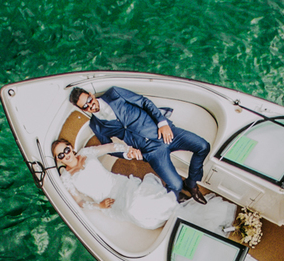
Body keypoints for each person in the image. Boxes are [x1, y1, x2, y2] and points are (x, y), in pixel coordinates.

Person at [69, 86, 209, 204]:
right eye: (85, 106)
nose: (91, 105)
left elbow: (144, 102)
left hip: (166, 133)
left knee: (203, 146)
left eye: (89, 100)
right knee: (176, 185)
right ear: (83, 109)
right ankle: (175, 194)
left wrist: (162, 123)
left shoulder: (114, 94)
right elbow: (108, 147)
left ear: (91, 95)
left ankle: (191, 183)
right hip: (151, 151)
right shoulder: (96, 125)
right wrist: (127, 152)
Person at [52, 138, 178, 230]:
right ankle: (165, 214)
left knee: (140, 198)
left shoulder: (85, 152)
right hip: (108, 200)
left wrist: (129, 149)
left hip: (119, 184)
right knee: (132, 210)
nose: (66, 155)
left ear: (70, 147)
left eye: (66, 150)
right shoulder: (66, 177)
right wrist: (99, 205)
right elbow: (79, 202)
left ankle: (171, 208)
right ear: (58, 159)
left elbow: (110, 147)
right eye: (61, 155)